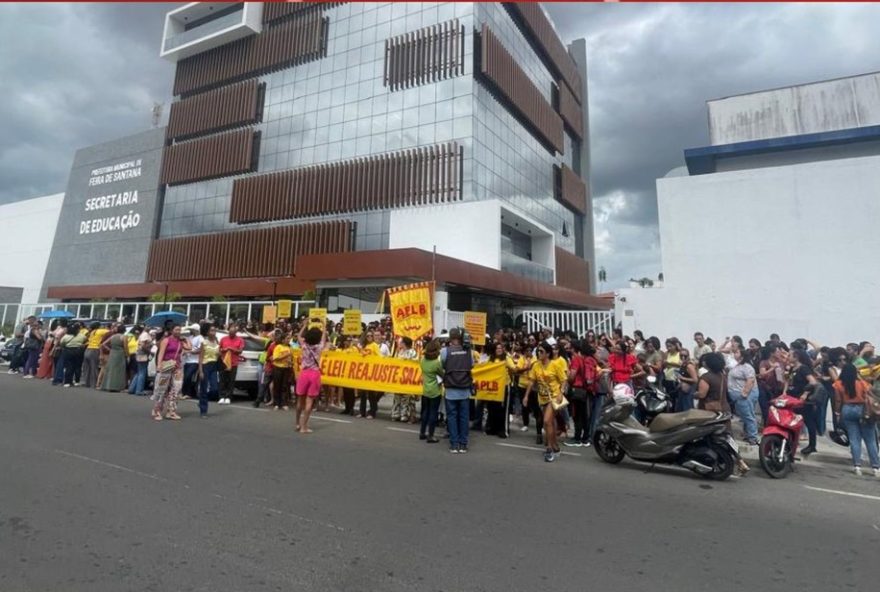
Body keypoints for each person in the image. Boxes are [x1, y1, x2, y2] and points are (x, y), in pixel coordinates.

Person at [522, 342, 568, 462]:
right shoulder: (536, 366)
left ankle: (549, 449)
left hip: (554, 397)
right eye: (538, 351)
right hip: (542, 397)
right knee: (549, 423)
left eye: (541, 351)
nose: (539, 353)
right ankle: (555, 447)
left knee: (547, 420)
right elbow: (531, 382)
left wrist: (561, 393)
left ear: (548, 353)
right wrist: (526, 396)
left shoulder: (555, 365)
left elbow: (564, 380)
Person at [832, 363, 880, 476]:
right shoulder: (863, 383)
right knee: (870, 440)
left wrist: (837, 412)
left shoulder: (838, 384)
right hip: (863, 410)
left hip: (847, 409)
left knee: (854, 439)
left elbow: (838, 400)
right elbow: (871, 394)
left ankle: (857, 466)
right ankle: (875, 468)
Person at [442, 328, 473, 454]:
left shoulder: (445, 351)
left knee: (452, 417)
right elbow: (471, 365)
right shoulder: (467, 351)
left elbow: (442, 364)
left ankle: (454, 444)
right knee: (464, 418)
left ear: (450, 337)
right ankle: (463, 444)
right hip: (464, 389)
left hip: (450, 390)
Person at [785, 349, 821, 456]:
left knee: (809, 422)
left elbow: (813, 382)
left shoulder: (803, 369)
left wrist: (805, 394)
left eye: (790, 355)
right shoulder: (792, 368)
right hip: (792, 398)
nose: (788, 357)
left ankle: (812, 445)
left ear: (796, 357)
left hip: (803, 401)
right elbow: (788, 381)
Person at [295, 320, 327, 434]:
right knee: (309, 402)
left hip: (304, 373)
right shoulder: (319, 347)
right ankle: (304, 427)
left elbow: (299, 335)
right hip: (314, 374)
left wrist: (304, 325)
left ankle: (297, 423)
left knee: (300, 400)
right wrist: (324, 325)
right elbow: (324, 337)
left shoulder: (304, 346)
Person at [151, 324, 188, 421]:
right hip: (166, 367)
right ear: (172, 330)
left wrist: (186, 339)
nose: (178, 331)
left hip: (177, 367)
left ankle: (171, 411)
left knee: (176, 388)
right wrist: (159, 365)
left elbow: (189, 348)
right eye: (176, 329)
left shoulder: (180, 341)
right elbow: (161, 353)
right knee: (161, 388)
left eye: (180, 330)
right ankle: (157, 410)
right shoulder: (166, 340)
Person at [728, 347, 759, 445]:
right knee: (745, 415)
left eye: (736, 352)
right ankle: (748, 434)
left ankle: (753, 437)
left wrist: (744, 393)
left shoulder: (747, 367)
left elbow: (750, 380)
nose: (734, 353)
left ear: (742, 356)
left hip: (744, 395)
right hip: (738, 395)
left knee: (748, 415)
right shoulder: (737, 365)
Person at [419, 339, 444, 443]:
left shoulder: (422, 360)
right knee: (433, 413)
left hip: (425, 389)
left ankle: (422, 432)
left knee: (425, 411)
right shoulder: (436, 363)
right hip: (435, 390)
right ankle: (431, 435)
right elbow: (442, 374)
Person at [390, 337, 419, 422]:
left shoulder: (412, 352)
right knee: (397, 397)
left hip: (408, 379)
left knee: (407, 398)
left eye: (401, 342)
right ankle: (396, 414)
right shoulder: (400, 352)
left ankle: (406, 414)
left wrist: (407, 361)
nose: (399, 344)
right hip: (399, 379)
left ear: (404, 343)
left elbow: (415, 363)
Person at [218, 323, 245, 405]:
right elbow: (219, 350)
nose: (231, 334)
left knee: (231, 381)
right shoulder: (223, 339)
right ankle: (222, 397)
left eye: (233, 332)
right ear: (228, 331)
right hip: (224, 362)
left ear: (236, 332)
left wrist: (232, 349)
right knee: (222, 380)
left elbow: (240, 351)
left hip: (233, 363)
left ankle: (228, 397)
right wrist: (224, 350)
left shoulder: (240, 340)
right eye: (230, 332)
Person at [197, 324, 221, 418]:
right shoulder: (204, 342)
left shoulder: (217, 342)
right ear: (207, 332)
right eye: (211, 330)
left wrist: (220, 354)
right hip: (205, 365)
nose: (213, 332)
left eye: (214, 330)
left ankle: (202, 400)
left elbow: (218, 355)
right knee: (204, 387)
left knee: (214, 388)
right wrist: (200, 370)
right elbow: (200, 357)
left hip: (214, 366)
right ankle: (203, 410)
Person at [101, 324, 128, 392]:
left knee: (110, 369)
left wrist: (110, 349)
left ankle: (107, 385)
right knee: (119, 370)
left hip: (112, 353)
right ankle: (117, 387)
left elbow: (103, 344)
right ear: (124, 330)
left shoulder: (113, 336)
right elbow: (125, 347)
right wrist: (127, 355)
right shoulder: (124, 337)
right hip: (120, 354)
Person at [59, 323, 87, 387]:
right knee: (78, 366)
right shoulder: (81, 335)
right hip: (78, 351)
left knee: (69, 367)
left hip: (68, 351)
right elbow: (85, 340)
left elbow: (62, 343)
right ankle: (77, 381)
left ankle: (67, 382)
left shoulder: (66, 336)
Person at [271, 331, 293, 411]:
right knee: (277, 386)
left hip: (286, 368)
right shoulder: (278, 347)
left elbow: (291, 358)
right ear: (283, 340)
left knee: (284, 386)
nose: (288, 340)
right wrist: (286, 355)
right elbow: (275, 358)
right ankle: (276, 403)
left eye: (289, 339)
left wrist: (290, 362)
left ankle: (284, 403)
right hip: (278, 368)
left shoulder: (289, 348)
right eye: (287, 338)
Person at [128, 327, 153, 396]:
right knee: (142, 372)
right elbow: (143, 345)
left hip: (140, 354)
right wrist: (149, 352)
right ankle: (139, 390)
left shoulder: (143, 334)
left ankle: (132, 388)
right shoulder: (145, 335)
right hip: (143, 354)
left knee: (139, 372)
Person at [81, 322, 107, 388]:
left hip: (88, 349)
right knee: (94, 367)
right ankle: (94, 383)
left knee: (87, 368)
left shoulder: (92, 332)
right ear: (98, 326)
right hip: (95, 350)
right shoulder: (100, 331)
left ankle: (86, 382)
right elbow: (109, 331)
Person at [181, 324, 203, 401]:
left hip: (195, 361)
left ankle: (188, 393)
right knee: (186, 377)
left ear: (196, 330)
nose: (191, 331)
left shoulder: (200, 338)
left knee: (188, 376)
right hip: (187, 360)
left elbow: (200, 350)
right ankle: (185, 393)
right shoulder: (190, 337)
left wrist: (190, 351)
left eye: (192, 329)